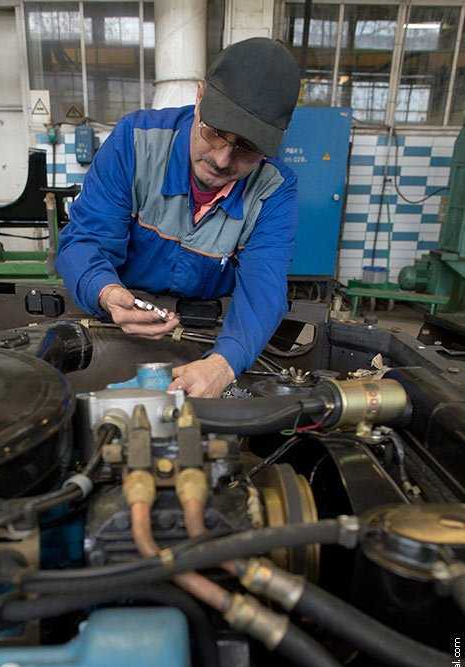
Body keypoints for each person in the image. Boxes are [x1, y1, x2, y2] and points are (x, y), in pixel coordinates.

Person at [56, 37, 300, 397]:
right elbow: (84, 242)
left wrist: (224, 364)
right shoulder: (135, 142)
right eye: (215, 132)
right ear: (200, 96)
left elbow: (263, 288)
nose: (221, 159)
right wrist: (104, 291)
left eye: (247, 148)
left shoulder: (274, 188)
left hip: (208, 337)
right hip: (115, 323)